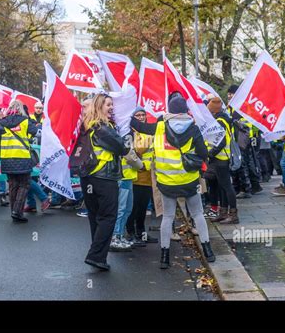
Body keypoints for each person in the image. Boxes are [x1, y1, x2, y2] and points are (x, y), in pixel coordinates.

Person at [130, 93, 216, 269]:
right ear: (186, 110)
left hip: (166, 183)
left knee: (167, 217)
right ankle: (208, 250)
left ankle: (164, 256)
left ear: (169, 110)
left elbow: (139, 126)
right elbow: (203, 153)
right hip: (189, 182)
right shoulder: (193, 129)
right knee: (198, 214)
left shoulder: (160, 126)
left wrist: (124, 109)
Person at [81, 94, 128, 271]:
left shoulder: (87, 126)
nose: (111, 108)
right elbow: (122, 147)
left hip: (88, 178)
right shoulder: (102, 128)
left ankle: (99, 256)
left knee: (95, 217)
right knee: (108, 217)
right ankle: (95, 255)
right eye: (108, 104)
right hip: (104, 178)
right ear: (99, 106)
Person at [0, 100, 38, 222]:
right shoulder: (25, 121)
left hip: (7, 157)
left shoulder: (1, 123)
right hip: (22, 157)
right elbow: (35, 131)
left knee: (12, 185)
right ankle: (17, 211)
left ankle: (14, 212)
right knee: (24, 184)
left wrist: (1, 156)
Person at [126, 107, 157, 246]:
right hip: (136, 175)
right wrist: (149, 139)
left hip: (149, 176)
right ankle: (131, 234)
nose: (140, 117)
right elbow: (137, 150)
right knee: (134, 207)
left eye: (142, 114)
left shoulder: (150, 131)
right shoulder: (132, 132)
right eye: (137, 115)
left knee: (143, 208)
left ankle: (142, 234)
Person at [206, 97, 238, 224]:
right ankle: (223, 213)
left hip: (220, 158)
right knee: (222, 187)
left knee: (227, 187)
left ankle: (233, 215)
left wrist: (210, 154)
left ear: (213, 111)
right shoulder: (223, 120)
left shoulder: (219, 122)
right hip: (222, 158)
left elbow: (221, 141)